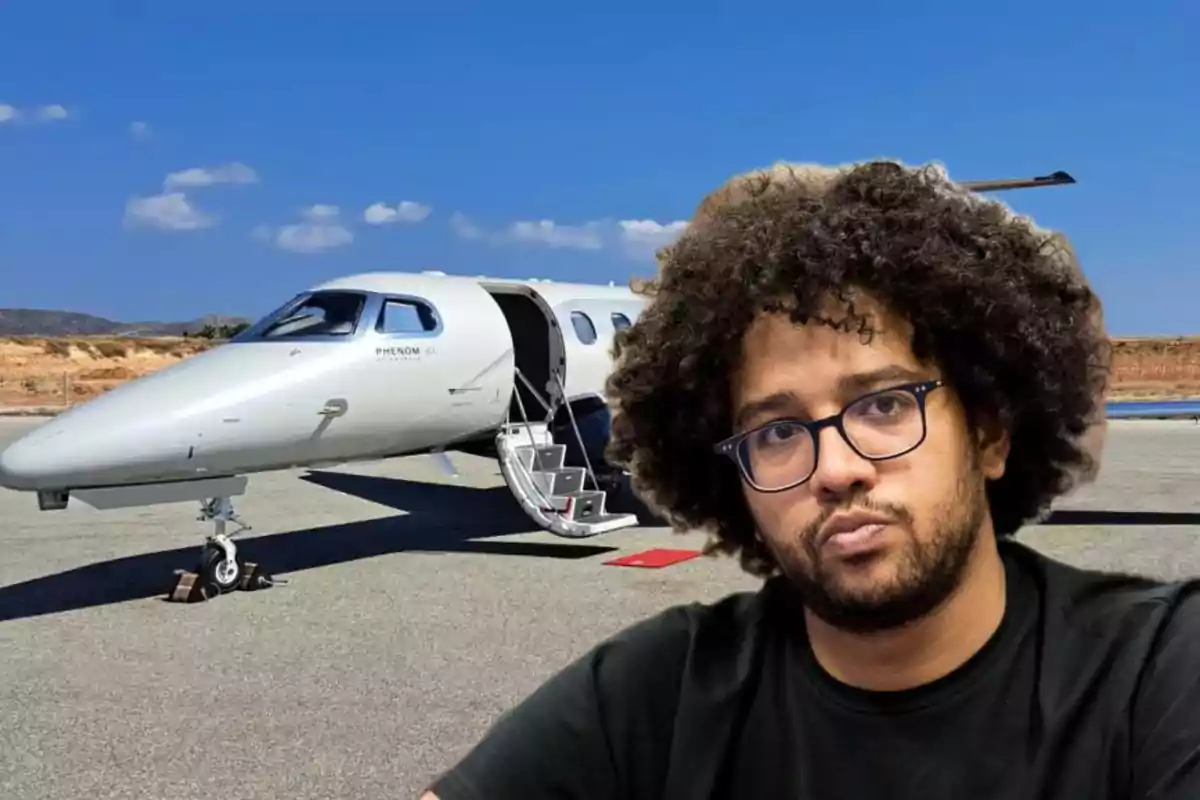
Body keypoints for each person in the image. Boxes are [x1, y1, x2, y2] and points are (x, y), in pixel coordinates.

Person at [420, 160, 1200, 799]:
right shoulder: (654, 696)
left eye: (886, 404)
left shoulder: (1157, 675)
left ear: (990, 434)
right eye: (779, 431)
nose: (836, 468)